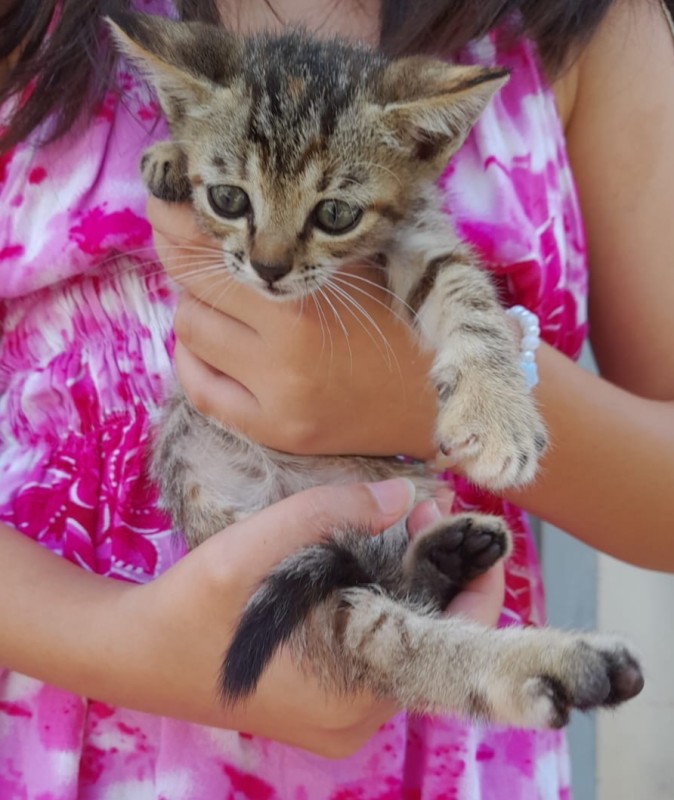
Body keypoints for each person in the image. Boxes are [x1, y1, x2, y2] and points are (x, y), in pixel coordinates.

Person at [0, 0, 673, 798]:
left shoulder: (585, 25)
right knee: (345, 611)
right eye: (237, 204)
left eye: (331, 214)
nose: (273, 261)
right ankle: (480, 661)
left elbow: (439, 268)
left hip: (433, 754)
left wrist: (417, 394)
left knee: (352, 607)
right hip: (57, 737)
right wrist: (122, 642)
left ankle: (453, 639)